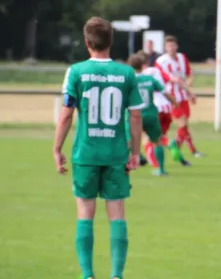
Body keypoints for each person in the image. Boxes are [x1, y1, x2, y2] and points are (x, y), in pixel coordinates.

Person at [53, 17, 144, 279]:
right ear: (111, 41)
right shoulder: (126, 72)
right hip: (116, 154)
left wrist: (57, 148)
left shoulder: (76, 71)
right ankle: (116, 275)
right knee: (116, 213)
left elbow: (66, 115)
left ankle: (88, 274)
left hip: (86, 153)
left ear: (86, 42)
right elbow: (135, 117)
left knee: (85, 212)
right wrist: (135, 152)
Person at [127, 53, 178, 176]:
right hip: (150, 114)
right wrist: (174, 102)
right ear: (142, 66)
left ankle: (137, 157)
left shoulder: (128, 81)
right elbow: (164, 92)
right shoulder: (150, 79)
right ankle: (161, 169)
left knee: (126, 140)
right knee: (157, 141)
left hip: (134, 115)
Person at [137, 51, 189, 167]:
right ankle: (181, 160)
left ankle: (155, 164)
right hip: (166, 108)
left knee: (148, 137)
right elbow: (170, 81)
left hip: (153, 108)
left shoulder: (141, 75)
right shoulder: (158, 70)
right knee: (159, 137)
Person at [155, 35, 204, 158]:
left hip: (182, 96)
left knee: (185, 124)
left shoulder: (182, 57)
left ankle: (185, 149)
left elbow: (189, 74)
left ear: (177, 46)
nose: (171, 48)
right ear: (165, 48)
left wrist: (189, 84)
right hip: (170, 97)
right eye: (169, 46)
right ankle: (177, 147)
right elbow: (174, 80)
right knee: (182, 122)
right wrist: (191, 93)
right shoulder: (161, 61)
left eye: (173, 45)